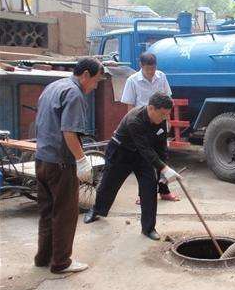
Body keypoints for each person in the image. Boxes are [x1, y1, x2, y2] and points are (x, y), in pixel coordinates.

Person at [34, 57, 104, 273]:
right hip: (61, 163)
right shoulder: (74, 93)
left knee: (47, 211)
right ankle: (61, 262)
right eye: (96, 81)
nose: (95, 87)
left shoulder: (53, 86)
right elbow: (69, 132)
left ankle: (43, 258)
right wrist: (82, 160)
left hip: (42, 159)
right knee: (65, 213)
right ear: (85, 75)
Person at [84, 92, 182, 240]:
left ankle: (148, 228)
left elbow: (160, 146)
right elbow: (145, 148)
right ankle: (97, 210)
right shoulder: (134, 119)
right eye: (162, 114)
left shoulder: (161, 119)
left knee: (149, 188)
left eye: (167, 115)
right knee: (109, 184)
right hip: (121, 152)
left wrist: (163, 169)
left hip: (142, 156)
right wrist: (164, 168)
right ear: (151, 108)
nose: (164, 118)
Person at [121, 52, 179, 202]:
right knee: (144, 159)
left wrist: (168, 121)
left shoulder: (161, 77)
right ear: (141, 66)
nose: (151, 72)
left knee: (163, 155)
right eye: (148, 69)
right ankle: (144, 195)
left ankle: (164, 191)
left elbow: (168, 100)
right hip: (141, 125)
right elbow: (130, 107)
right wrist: (131, 129)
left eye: (153, 69)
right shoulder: (132, 81)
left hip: (159, 123)